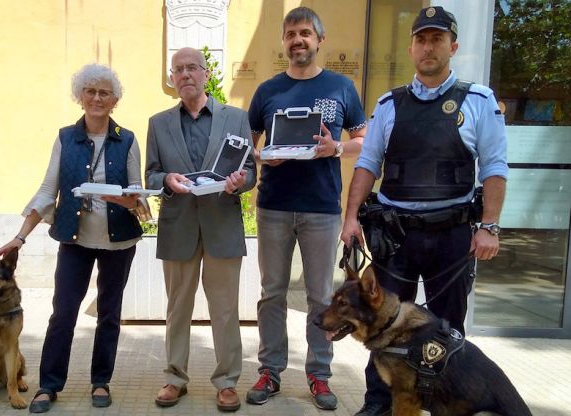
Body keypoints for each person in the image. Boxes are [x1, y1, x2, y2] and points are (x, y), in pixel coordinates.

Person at [340, 6, 508, 416]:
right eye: (421, 39)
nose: (428, 46)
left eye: (437, 39)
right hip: (397, 236)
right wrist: (349, 218)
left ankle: (447, 404)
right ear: (412, 47)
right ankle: (378, 404)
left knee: (448, 330)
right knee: (381, 327)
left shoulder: (479, 101)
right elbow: (367, 164)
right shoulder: (390, 104)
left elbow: (494, 168)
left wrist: (490, 227)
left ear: (453, 46)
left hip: (452, 235)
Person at [0, 63, 144, 413]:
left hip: (118, 241)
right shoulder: (65, 137)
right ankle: (49, 384)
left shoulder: (128, 139)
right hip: (74, 241)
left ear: (115, 99)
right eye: (90, 91)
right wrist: (20, 237)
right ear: (80, 96)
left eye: (104, 92)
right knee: (63, 313)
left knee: (109, 313)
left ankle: (101, 381)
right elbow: (48, 190)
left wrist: (126, 198)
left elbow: (138, 196)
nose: (96, 98)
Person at [245, 7, 367, 410]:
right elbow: (248, 144)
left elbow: (365, 141)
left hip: (321, 208)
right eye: (291, 34)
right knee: (272, 294)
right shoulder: (267, 91)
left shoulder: (341, 88)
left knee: (320, 297)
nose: (298, 40)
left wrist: (337, 148)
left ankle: (319, 375)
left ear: (319, 40)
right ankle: (270, 371)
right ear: (284, 42)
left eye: (305, 34)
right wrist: (264, 157)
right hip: (274, 206)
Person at [145, 47, 256, 412]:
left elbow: (251, 172)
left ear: (206, 74)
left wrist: (239, 182)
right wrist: (166, 179)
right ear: (172, 78)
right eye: (178, 69)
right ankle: (175, 378)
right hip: (179, 227)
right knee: (178, 308)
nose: (186, 74)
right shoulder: (158, 123)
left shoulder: (236, 118)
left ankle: (226, 382)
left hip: (222, 224)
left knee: (224, 309)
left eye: (193, 67)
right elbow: (150, 174)